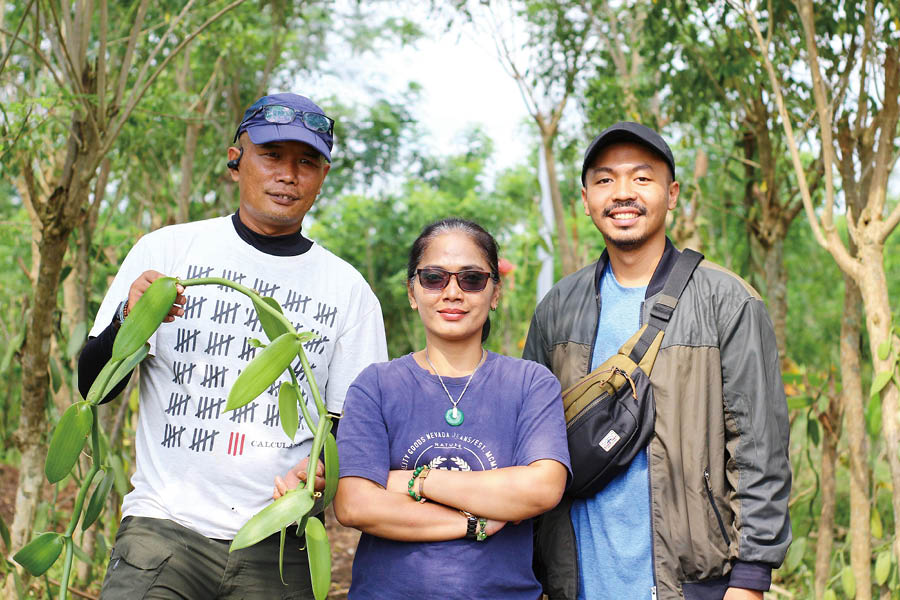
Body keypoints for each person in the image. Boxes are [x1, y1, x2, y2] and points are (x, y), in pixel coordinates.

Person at [78, 92, 387, 599]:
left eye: (306, 161)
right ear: (235, 159)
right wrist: (126, 322)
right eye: (271, 156)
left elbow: (353, 425)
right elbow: (93, 387)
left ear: (323, 177)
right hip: (164, 531)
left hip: (278, 543)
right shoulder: (168, 251)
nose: (288, 174)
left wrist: (320, 474)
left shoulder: (348, 290)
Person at [523, 122, 791, 600]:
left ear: (672, 194)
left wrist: (751, 578)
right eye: (605, 180)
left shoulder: (728, 301)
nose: (622, 193)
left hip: (692, 581)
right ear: (584, 199)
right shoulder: (557, 308)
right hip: (577, 580)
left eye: (641, 178)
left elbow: (759, 448)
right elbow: (535, 444)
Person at [305, 218, 570, 599]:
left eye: (472, 279)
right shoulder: (375, 385)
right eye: (434, 278)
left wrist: (413, 481)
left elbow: (541, 489)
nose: (452, 292)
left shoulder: (531, 383)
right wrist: (475, 522)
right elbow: (355, 505)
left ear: (495, 292)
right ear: (412, 292)